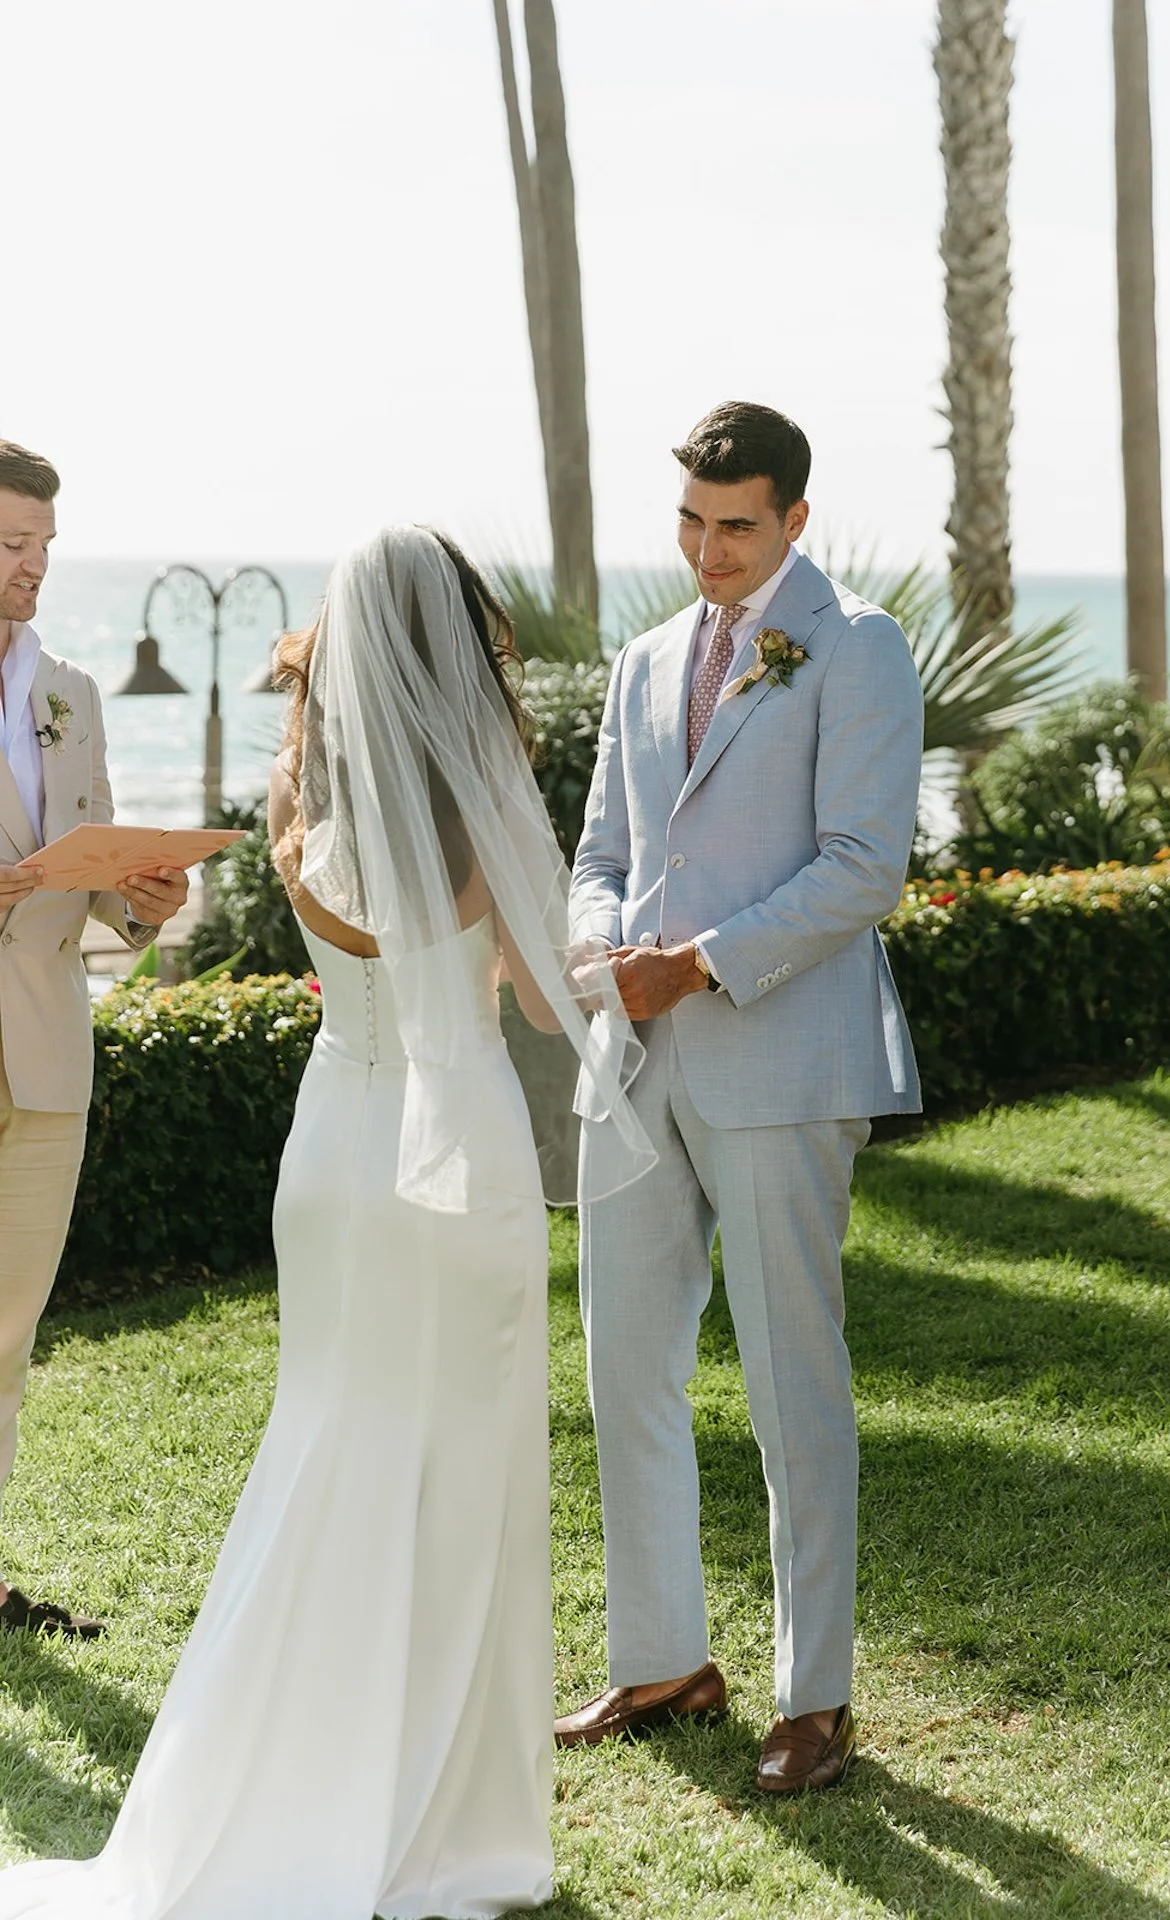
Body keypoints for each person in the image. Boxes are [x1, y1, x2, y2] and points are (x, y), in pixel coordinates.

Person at [0, 525, 653, 1920]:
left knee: (328, 1448)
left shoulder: (302, 783)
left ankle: (295, 1777)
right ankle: (440, 1817)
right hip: (453, 1152)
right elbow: (546, 999)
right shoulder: (485, 794)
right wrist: (641, 963)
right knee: (460, 1470)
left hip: (335, 1150)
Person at [558, 402, 924, 1793]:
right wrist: (597, 947)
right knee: (625, 1374)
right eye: (694, 525)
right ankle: (660, 1659)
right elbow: (600, 847)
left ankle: (813, 1698)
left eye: (739, 527)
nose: (711, 552)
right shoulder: (646, 660)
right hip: (631, 1063)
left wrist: (697, 969)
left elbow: (862, 863)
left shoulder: (857, 644)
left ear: (795, 522)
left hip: (779, 1063)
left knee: (791, 1382)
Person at [0, 440, 188, 1640]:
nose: (35, 569)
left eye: (46, 548)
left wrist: (144, 898)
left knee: (8, 1331)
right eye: (16, 546)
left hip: (47, 1056)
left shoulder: (68, 689)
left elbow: (98, 854)